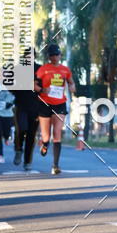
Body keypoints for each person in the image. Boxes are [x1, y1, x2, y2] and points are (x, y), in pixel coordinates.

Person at [35, 44, 76, 174]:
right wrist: (42, 89)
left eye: (56, 54)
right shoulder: (43, 69)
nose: (55, 57)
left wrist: (72, 87)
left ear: (60, 55)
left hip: (60, 104)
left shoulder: (65, 70)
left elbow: (71, 82)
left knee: (57, 133)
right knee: (46, 135)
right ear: (49, 57)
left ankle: (55, 166)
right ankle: (45, 144)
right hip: (45, 103)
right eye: (52, 55)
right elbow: (33, 84)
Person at [12, 48, 41, 171]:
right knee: (21, 129)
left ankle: (27, 161)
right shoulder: (18, 69)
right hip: (21, 105)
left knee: (31, 135)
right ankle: (18, 149)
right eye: (27, 56)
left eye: (32, 55)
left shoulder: (40, 69)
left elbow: (44, 86)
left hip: (36, 107)